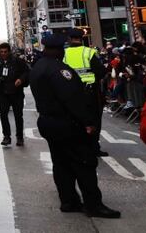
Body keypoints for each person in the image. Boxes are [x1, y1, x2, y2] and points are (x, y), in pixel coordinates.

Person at [30, 32, 120, 219]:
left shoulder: (38, 67)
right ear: (57, 50)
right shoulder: (60, 70)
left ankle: (68, 201)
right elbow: (72, 100)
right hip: (67, 124)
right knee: (84, 163)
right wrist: (87, 122)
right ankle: (93, 205)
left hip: (48, 122)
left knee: (61, 163)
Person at [63, 28, 108, 157]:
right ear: (81, 39)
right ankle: (94, 147)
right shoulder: (89, 52)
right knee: (94, 119)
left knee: (74, 119)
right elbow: (100, 71)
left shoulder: (65, 54)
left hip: (71, 93)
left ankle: (77, 146)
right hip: (90, 92)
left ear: (70, 39)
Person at [0, 41, 29, 147]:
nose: (3, 54)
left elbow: (27, 72)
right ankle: (6, 137)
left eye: (5, 52)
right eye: (1, 52)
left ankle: (19, 137)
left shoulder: (18, 61)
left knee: (18, 115)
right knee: (3, 115)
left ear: (9, 51)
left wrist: (20, 79)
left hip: (16, 92)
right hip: (3, 92)